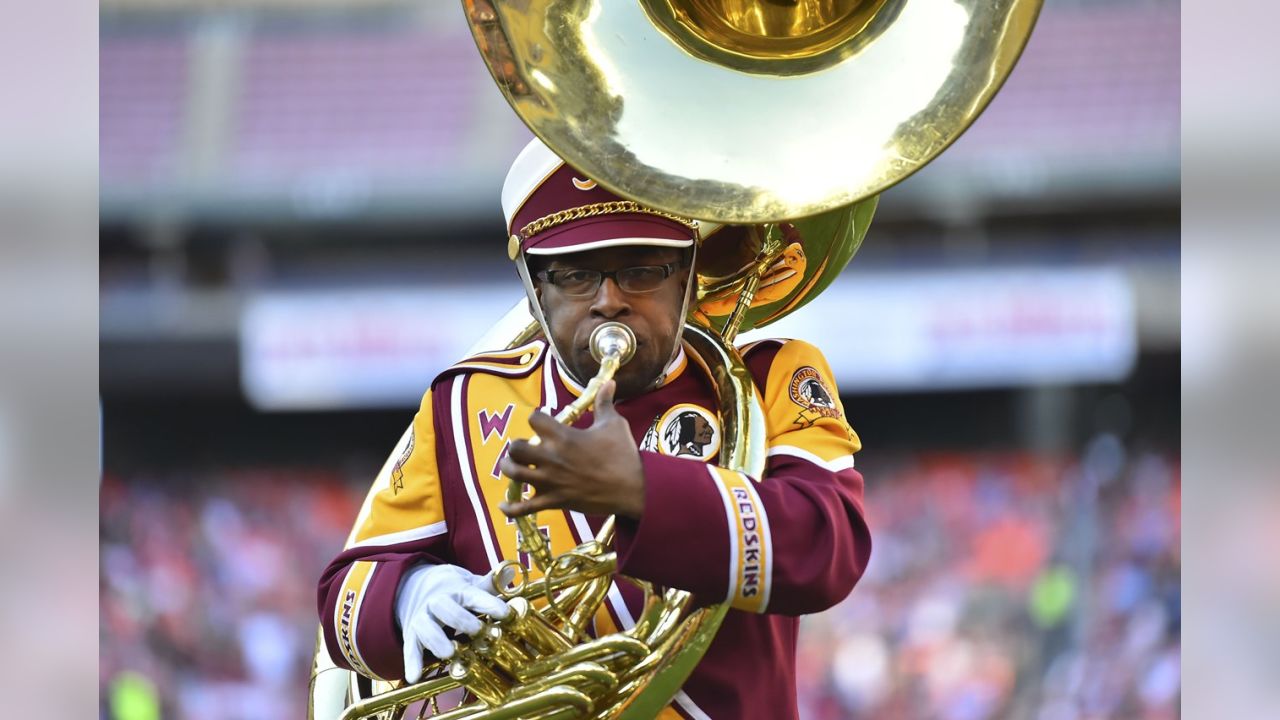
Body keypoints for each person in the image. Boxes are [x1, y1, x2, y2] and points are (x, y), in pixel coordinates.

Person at [317, 138, 872, 720]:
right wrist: (410, 596)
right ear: (535, 293)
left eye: (640, 270)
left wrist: (641, 489)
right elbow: (344, 596)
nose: (609, 301)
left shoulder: (769, 374)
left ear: (686, 277)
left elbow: (829, 549)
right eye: (575, 276)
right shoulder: (463, 400)